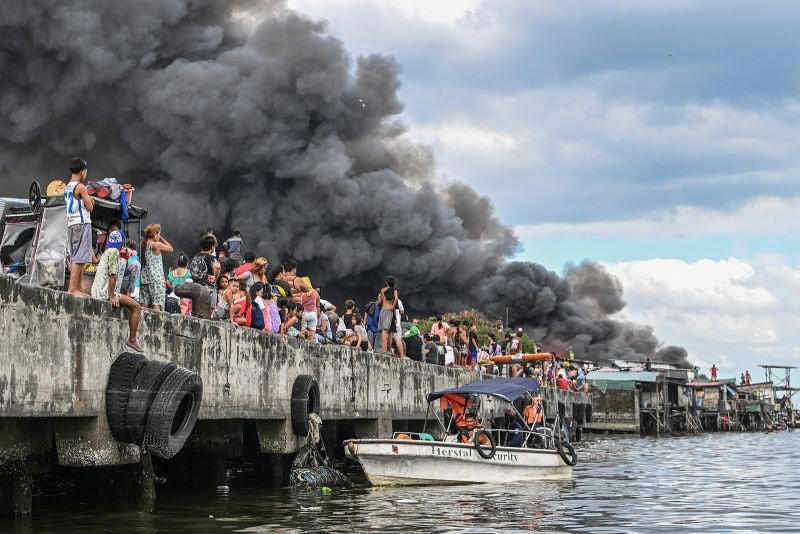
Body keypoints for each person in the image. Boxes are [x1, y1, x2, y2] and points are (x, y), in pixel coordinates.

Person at [90, 231, 142, 352]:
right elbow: (113, 276)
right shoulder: (114, 252)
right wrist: (112, 295)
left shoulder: (106, 252)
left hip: (97, 290)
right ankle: (132, 340)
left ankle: (133, 340)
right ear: (122, 243)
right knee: (137, 307)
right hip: (103, 292)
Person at [65, 158, 95, 296]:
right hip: (82, 224)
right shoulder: (81, 187)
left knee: (79, 257)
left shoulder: (67, 186)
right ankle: (72, 289)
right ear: (82, 171)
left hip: (71, 224)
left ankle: (79, 288)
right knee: (78, 257)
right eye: (86, 171)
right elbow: (89, 206)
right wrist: (91, 200)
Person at [138, 224, 173, 311]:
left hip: (144, 277)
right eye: (158, 234)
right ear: (155, 234)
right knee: (157, 304)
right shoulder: (156, 245)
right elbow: (171, 249)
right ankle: (156, 324)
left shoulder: (143, 244)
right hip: (156, 279)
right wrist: (161, 238)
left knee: (144, 304)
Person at [190, 235, 222, 307]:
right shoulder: (210, 258)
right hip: (208, 291)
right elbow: (217, 266)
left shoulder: (193, 258)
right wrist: (215, 277)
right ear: (212, 247)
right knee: (209, 314)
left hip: (195, 291)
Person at [377, 276, 399, 354]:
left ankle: (384, 350)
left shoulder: (382, 290)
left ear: (386, 283)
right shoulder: (394, 290)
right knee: (385, 331)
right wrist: (393, 306)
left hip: (382, 310)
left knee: (384, 330)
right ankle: (384, 350)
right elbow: (396, 299)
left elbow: (379, 302)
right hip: (388, 311)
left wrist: (379, 297)